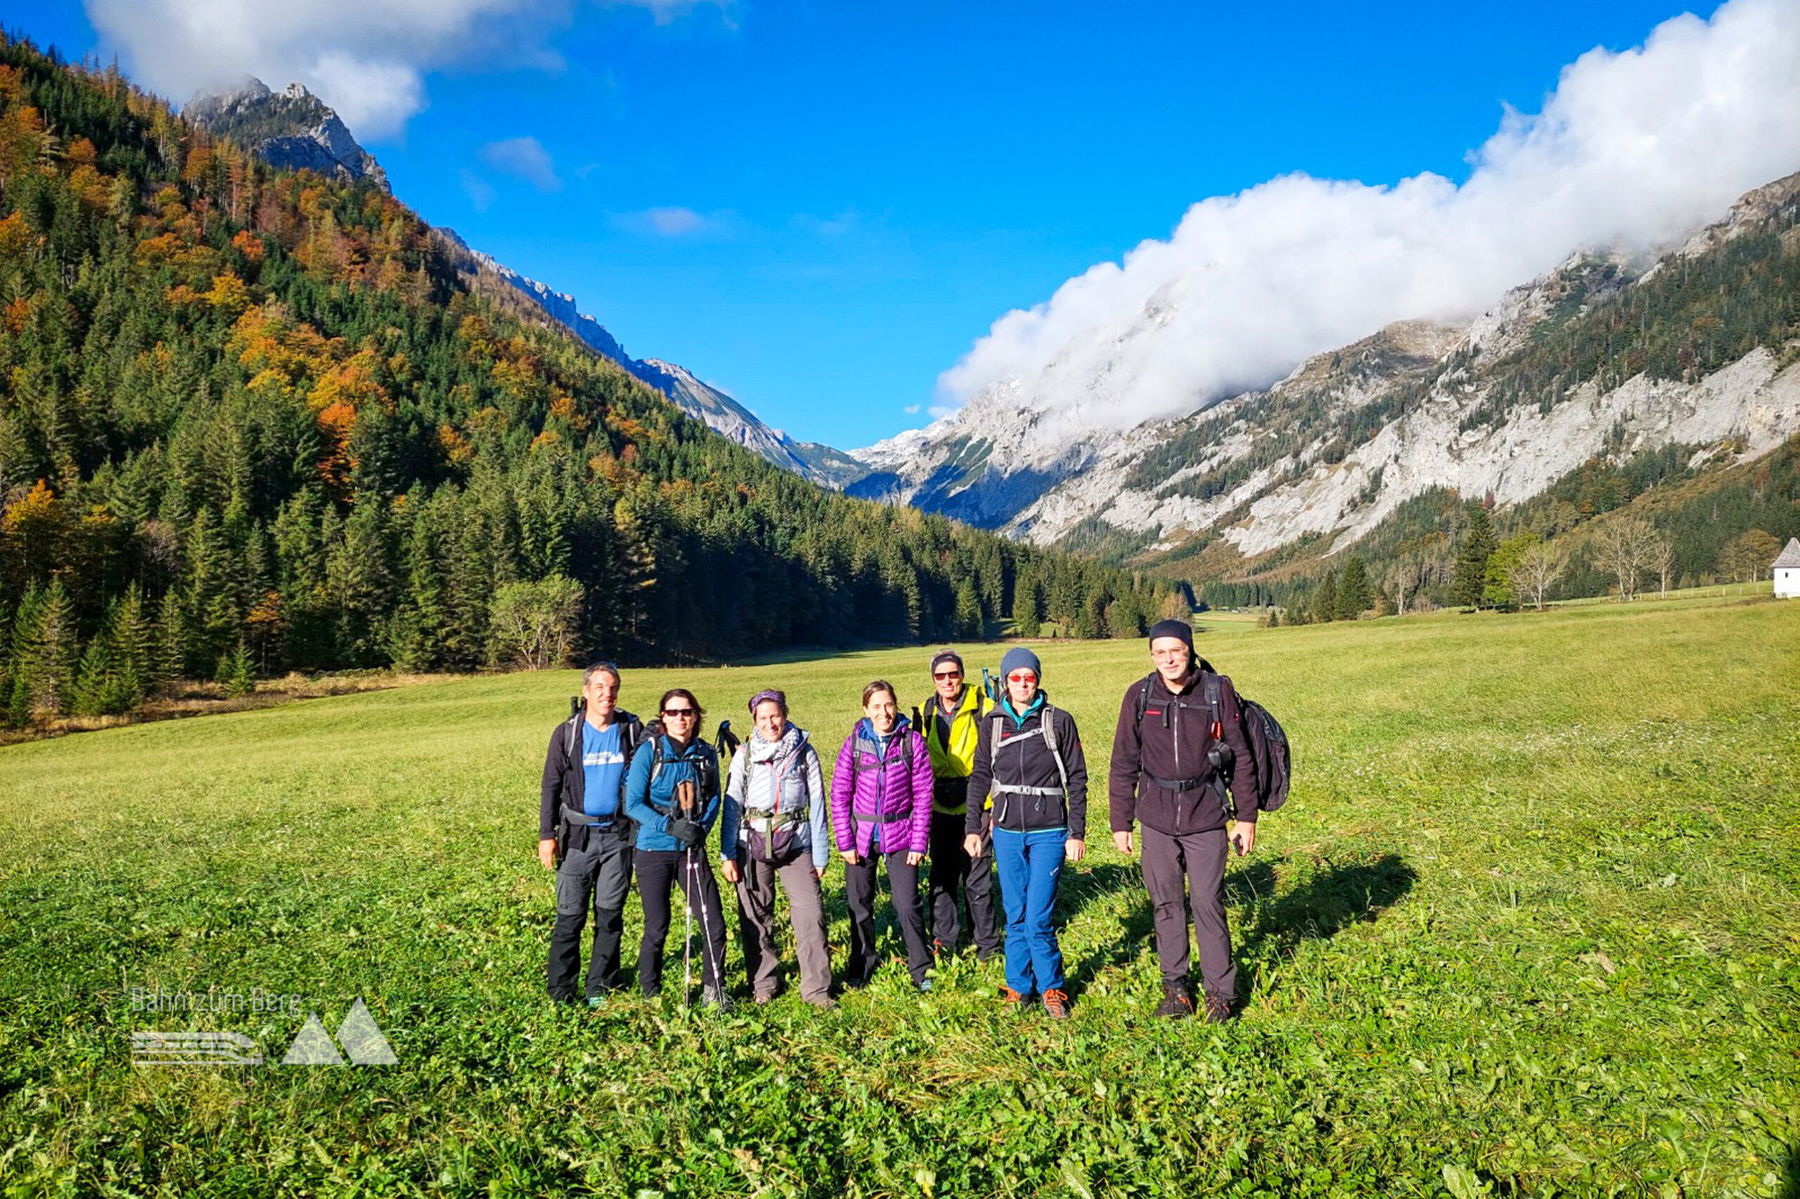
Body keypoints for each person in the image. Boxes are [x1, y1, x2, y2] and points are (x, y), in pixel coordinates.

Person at [1107, 619, 1257, 1023]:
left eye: (1176, 650)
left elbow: (1241, 755)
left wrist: (1246, 817)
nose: (1169, 658)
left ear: (1188, 651)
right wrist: (1121, 822)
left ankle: (1220, 994)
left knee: (1207, 904)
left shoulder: (1215, 690)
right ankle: (1176, 989)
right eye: (1160, 652)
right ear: (1152, 655)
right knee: (1167, 905)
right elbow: (1123, 761)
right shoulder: (1139, 696)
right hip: (1155, 817)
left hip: (1206, 815)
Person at [964, 647, 1087, 1018]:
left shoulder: (1058, 721)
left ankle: (1052, 987)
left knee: (1038, 917)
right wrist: (973, 827)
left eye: (1028, 677)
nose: (1022, 684)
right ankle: (1019, 985)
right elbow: (981, 775)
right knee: (1014, 912)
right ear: (1004, 681)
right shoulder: (993, 723)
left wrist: (1076, 832)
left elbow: (1077, 778)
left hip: (1049, 830)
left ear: (1038, 680)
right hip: (1004, 830)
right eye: (1014, 678)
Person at [538, 662, 646, 1006]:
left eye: (612, 687)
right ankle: (561, 989)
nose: (607, 693)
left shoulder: (631, 729)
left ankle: (600, 985)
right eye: (599, 687)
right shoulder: (567, 733)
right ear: (586, 691)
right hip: (577, 838)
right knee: (570, 915)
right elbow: (551, 786)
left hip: (618, 836)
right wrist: (546, 834)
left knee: (610, 914)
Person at [720, 689, 835, 1009]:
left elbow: (817, 804)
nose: (770, 723)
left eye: (776, 715)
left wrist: (821, 852)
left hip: (796, 844)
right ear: (754, 721)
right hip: (751, 842)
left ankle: (817, 990)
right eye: (763, 717)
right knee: (755, 917)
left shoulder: (804, 752)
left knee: (811, 915)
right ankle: (763, 983)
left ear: (785, 714)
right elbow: (732, 805)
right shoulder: (743, 754)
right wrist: (727, 852)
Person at [624, 687, 734, 1008]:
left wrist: (701, 829)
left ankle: (714, 990)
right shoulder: (650, 751)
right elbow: (633, 804)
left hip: (691, 848)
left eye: (686, 712)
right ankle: (650, 992)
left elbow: (714, 797)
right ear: (663, 717)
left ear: (696, 715)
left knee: (712, 920)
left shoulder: (705, 753)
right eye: (672, 712)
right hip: (653, 849)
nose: (680, 718)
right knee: (657, 925)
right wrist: (671, 826)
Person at [831, 680, 935, 991]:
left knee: (907, 905)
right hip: (861, 837)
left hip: (900, 834)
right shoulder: (854, 743)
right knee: (859, 905)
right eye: (876, 706)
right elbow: (839, 793)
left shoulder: (912, 742)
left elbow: (924, 794)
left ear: (896, 705)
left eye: (888, 705)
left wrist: (919, 842)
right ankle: (861, 965)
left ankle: (921, 969)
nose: (884, 712)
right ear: (866, 710)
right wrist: (845, 841)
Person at [916, 649, 1001, 963]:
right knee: (942, 877)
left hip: (978, 805)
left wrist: (994, 810)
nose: (948, 680)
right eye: (941, 675)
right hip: (939, 807)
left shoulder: (985, 708)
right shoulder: (926, 711)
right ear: (934, 679)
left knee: (977, 880)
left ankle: (988, 947)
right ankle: (944, 943)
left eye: (953, 674)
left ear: (962, 675)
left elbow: (1000, 762)